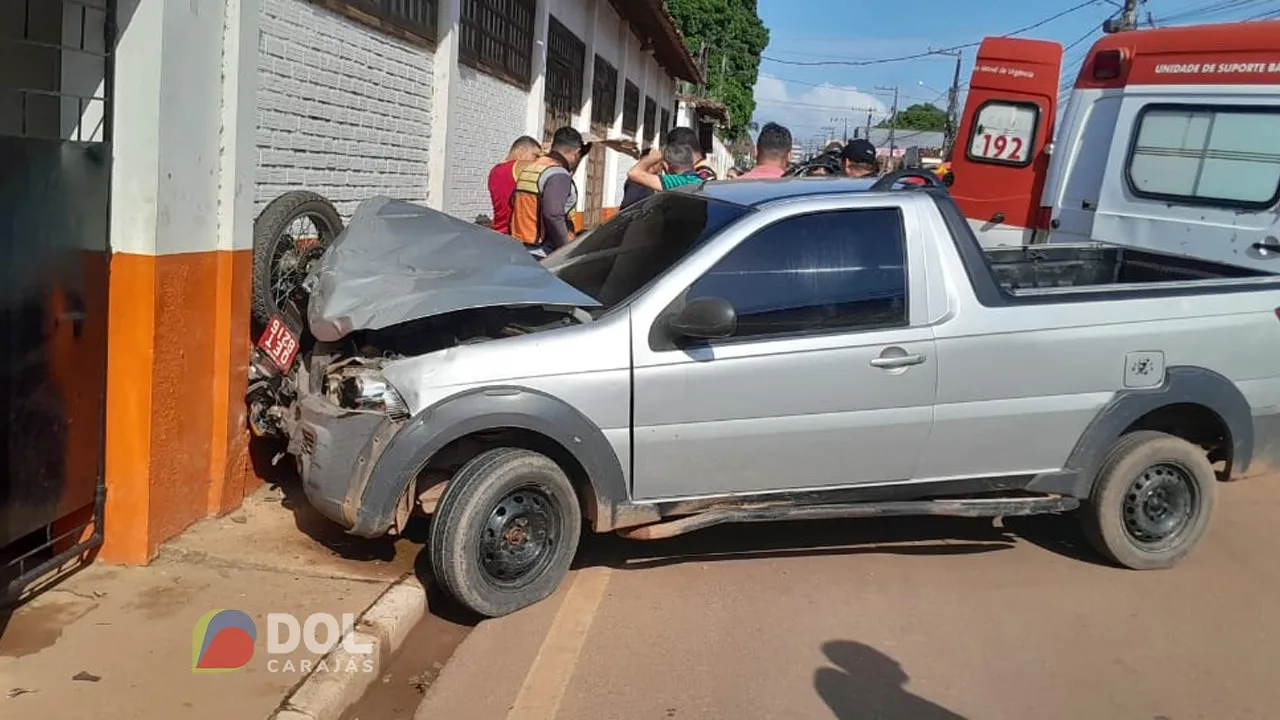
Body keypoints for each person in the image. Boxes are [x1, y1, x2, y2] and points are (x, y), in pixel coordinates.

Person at [510, 127, 590, 256]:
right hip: (543, 252)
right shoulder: (558, 173)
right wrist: (565, 250)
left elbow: (513, 200)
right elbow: (553, 215)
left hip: (521, 246)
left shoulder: (532, 167)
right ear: (576, 152)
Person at [486, 136, 542, 235]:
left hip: (498, 231)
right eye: (535, 155)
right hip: (514, 235)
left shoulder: (495, 170)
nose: (536, 160)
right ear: (521, 150)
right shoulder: (517, 167)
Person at [626, 142, 705, 193]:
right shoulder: (699, 181)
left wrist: (652, 157)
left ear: (667, 165)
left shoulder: (676, 182)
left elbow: (633, 173)